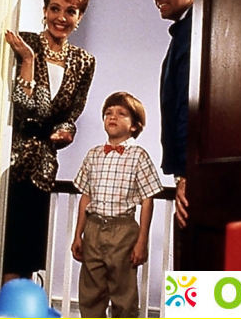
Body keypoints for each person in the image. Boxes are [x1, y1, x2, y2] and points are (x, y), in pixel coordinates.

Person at [3, 0, 96, 284]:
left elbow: (73, 111)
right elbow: (24, 107)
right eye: (55, 8)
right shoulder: (25, 44)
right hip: (12, 163)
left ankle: (20, 309)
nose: (61, 18)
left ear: (79, 18)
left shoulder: (84, 62)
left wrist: (67, 131)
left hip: (43, 168)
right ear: (44, 10)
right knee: (7, 255)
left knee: (28, 258)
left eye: (70, 11)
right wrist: (28, 61)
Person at [71, 91, 163, 318]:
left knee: (123, 294)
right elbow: (86, 197)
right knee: (91, 293)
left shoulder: (139, 156)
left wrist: (142, 241)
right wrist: (78, 235)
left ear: (134, 125)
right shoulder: (93, 155)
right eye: (109, 113)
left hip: (123, 231)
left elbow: (147, 199)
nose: (113, 117)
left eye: (122, 114)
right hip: (93, 228)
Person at [133, 0, 195, 229]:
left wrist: (185, 173)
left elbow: (188, 106)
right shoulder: (183, 32)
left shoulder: (194, 34)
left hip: (194, 172)